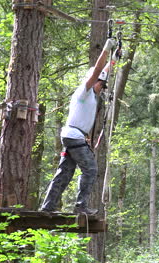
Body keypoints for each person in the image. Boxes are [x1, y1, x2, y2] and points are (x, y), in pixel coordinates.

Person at [40, 38, 119, 214]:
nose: (103, 88)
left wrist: (113, 59)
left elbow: (103, 71)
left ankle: (48, 207)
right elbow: (98, 70)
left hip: (74, 136)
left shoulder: (92, 94)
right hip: (74, 136)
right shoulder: (84, 91)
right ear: (95, 81)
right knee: (90, 169)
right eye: (102, 84)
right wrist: (105, 50)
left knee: (64, 173)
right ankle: (80, 205)